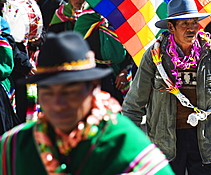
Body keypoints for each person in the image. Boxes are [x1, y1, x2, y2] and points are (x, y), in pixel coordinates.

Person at [0, 31, 174, 175]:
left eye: (69, 92)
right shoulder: (16, 146)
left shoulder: (125, 145)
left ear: (93, 88)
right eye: (48, 93)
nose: (58, 103)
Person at [122, 0, 211, 174]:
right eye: (185, 23)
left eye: (194, 23)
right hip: (166, 141)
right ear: (171, 27)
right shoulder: (155, 55)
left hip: (206, 139)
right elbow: (135, 102)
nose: (192, 28)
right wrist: (130, 143)